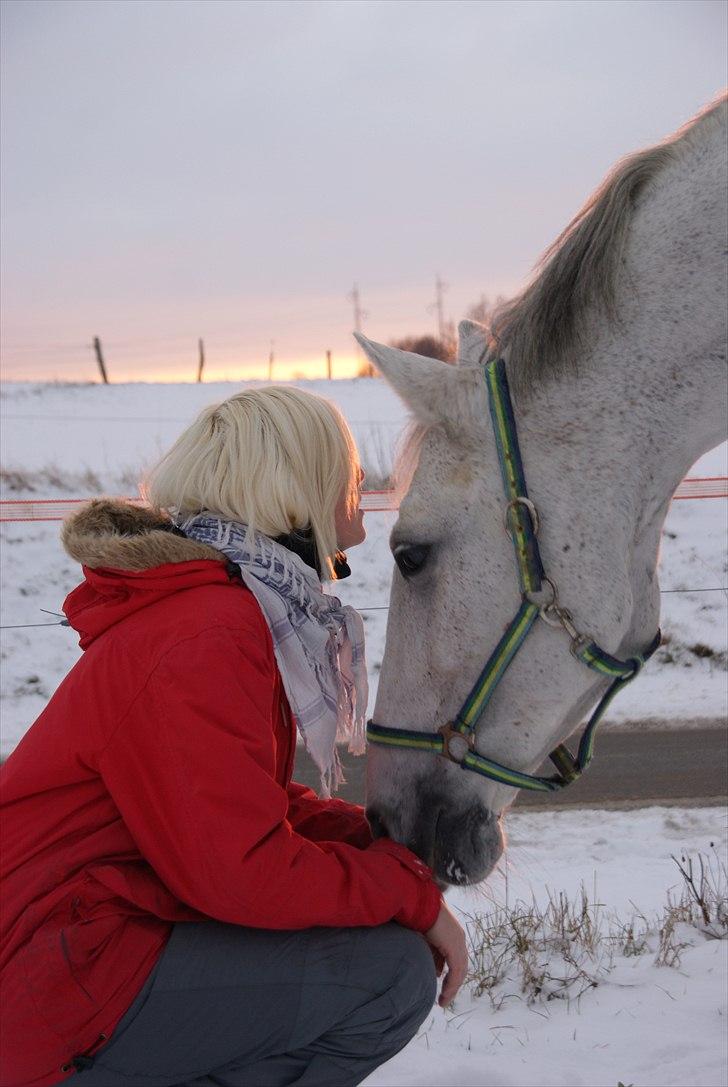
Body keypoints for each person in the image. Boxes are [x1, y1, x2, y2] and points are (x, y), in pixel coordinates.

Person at [0, 385, 468, 1087]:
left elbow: (239, 806)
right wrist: (413, 898)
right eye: (340, 464)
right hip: (58, 980)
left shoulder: (220, 605)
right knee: (388, 975)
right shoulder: (208, 629)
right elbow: (239, 870)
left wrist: (380, 841)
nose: (359, 482)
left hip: (70, 952)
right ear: (291, 485)